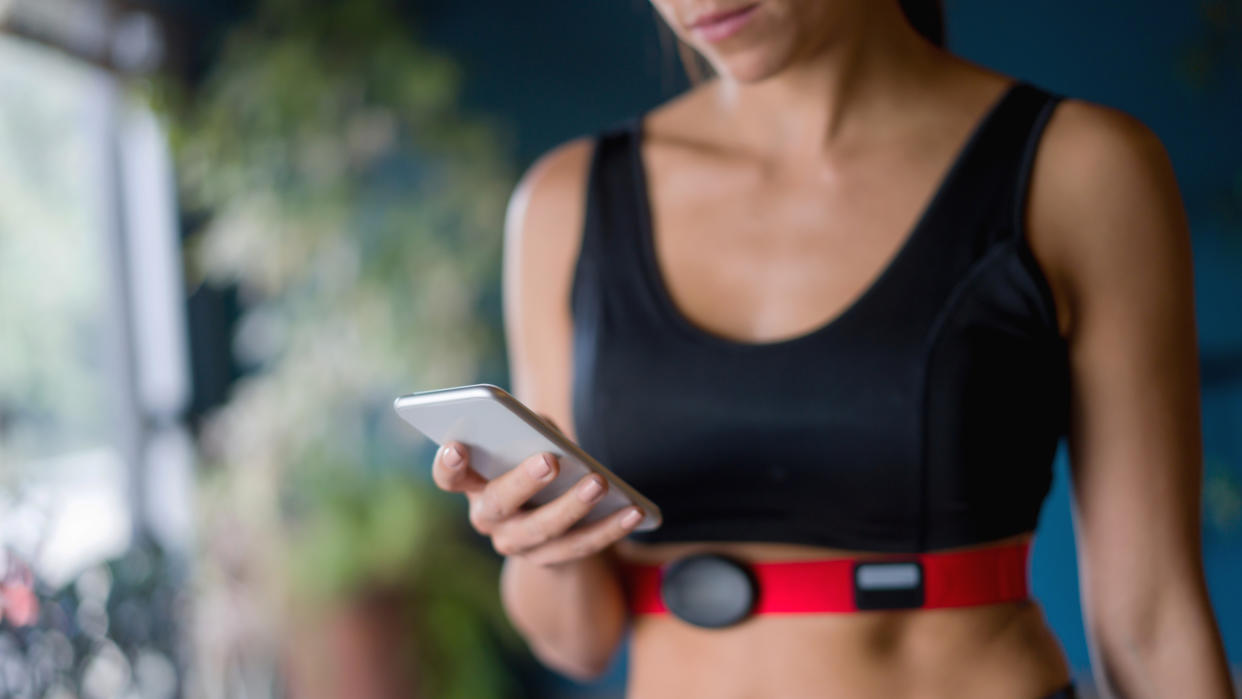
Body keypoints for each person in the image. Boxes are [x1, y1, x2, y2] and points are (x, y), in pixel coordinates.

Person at [431, 1, 1235, 696]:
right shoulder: (564, 201)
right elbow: (579, 639)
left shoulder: (1081, 170)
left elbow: (1150, 619)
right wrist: (541, 542)